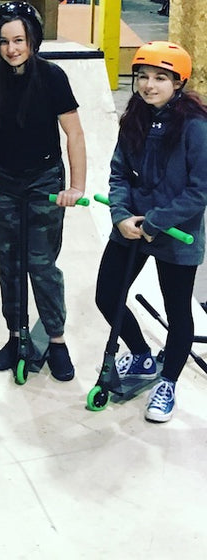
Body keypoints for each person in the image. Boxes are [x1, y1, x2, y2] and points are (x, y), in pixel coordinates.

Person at [0, 1, 86, 382]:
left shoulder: (52, 76)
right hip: (2, 179)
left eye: (19, 40)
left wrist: (76, 186)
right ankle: (16, 334)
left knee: (41, 263)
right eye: (4, 42)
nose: (11, 49)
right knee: (9, 264)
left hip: (43, 178)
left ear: (32, 39)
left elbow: (74, 133)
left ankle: (56, 339)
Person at [95, 41, 207, 422]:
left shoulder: (195, 126)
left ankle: (168, 381)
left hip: (175, 233)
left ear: (178, 82)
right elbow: (119, 173)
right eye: (142, 76)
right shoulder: (135, 118)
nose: (148, 85)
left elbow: (199, 191)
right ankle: (142, 356)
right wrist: (120, 214)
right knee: (107, 295)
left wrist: (156, 221)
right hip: (132, 226)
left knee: (178, 311)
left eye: (160, 78)